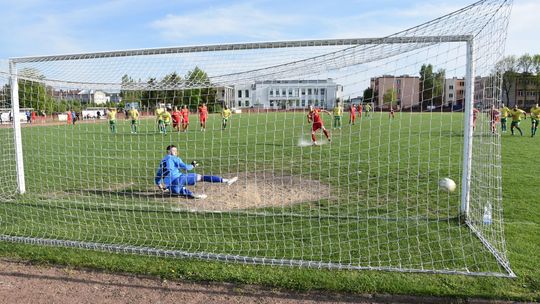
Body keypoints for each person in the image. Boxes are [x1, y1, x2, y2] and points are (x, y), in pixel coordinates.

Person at [154, 145, 238, 199]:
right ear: (168, 152)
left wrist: (161, 187)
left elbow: (157, 177)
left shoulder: (162, 162)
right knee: (200, 177)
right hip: (179, 179)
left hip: (171, 188)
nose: (175, 152)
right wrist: (192, 165)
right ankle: (226, 180)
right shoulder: (173, 158)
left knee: (180, 190)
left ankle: (193, 194)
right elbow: (187, 168)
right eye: (173, 151)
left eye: (176, 151)